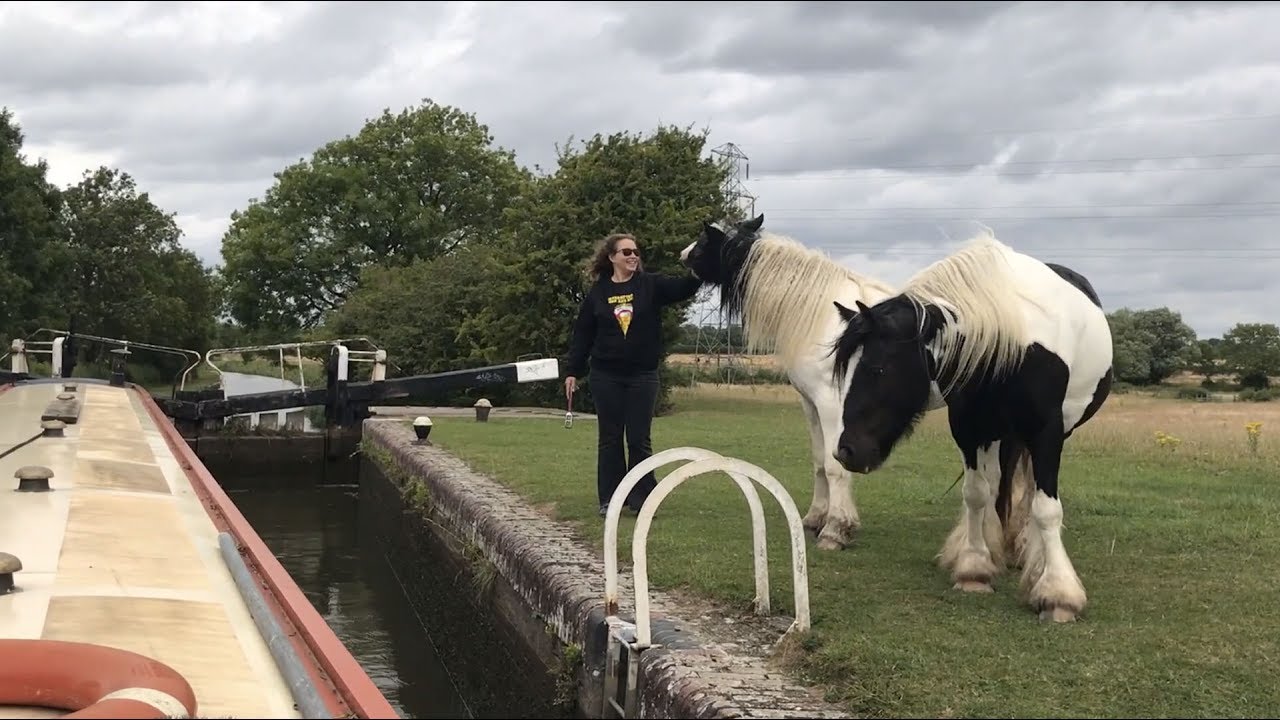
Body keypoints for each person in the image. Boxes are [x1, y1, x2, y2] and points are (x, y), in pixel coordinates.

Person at [564, 232, 704, 517]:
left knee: (639, 439)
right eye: (626, 252)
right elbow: (583, 335)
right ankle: (611, 499)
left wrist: (702, 266)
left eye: (636, 252)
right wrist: (572, 372)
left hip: (642, 375)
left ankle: (642, 498)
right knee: (610, 438)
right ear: (611, 257)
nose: (632, 256)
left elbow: (685, 288)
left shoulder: (650, 285)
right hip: (606, 376)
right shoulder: (598, 293)